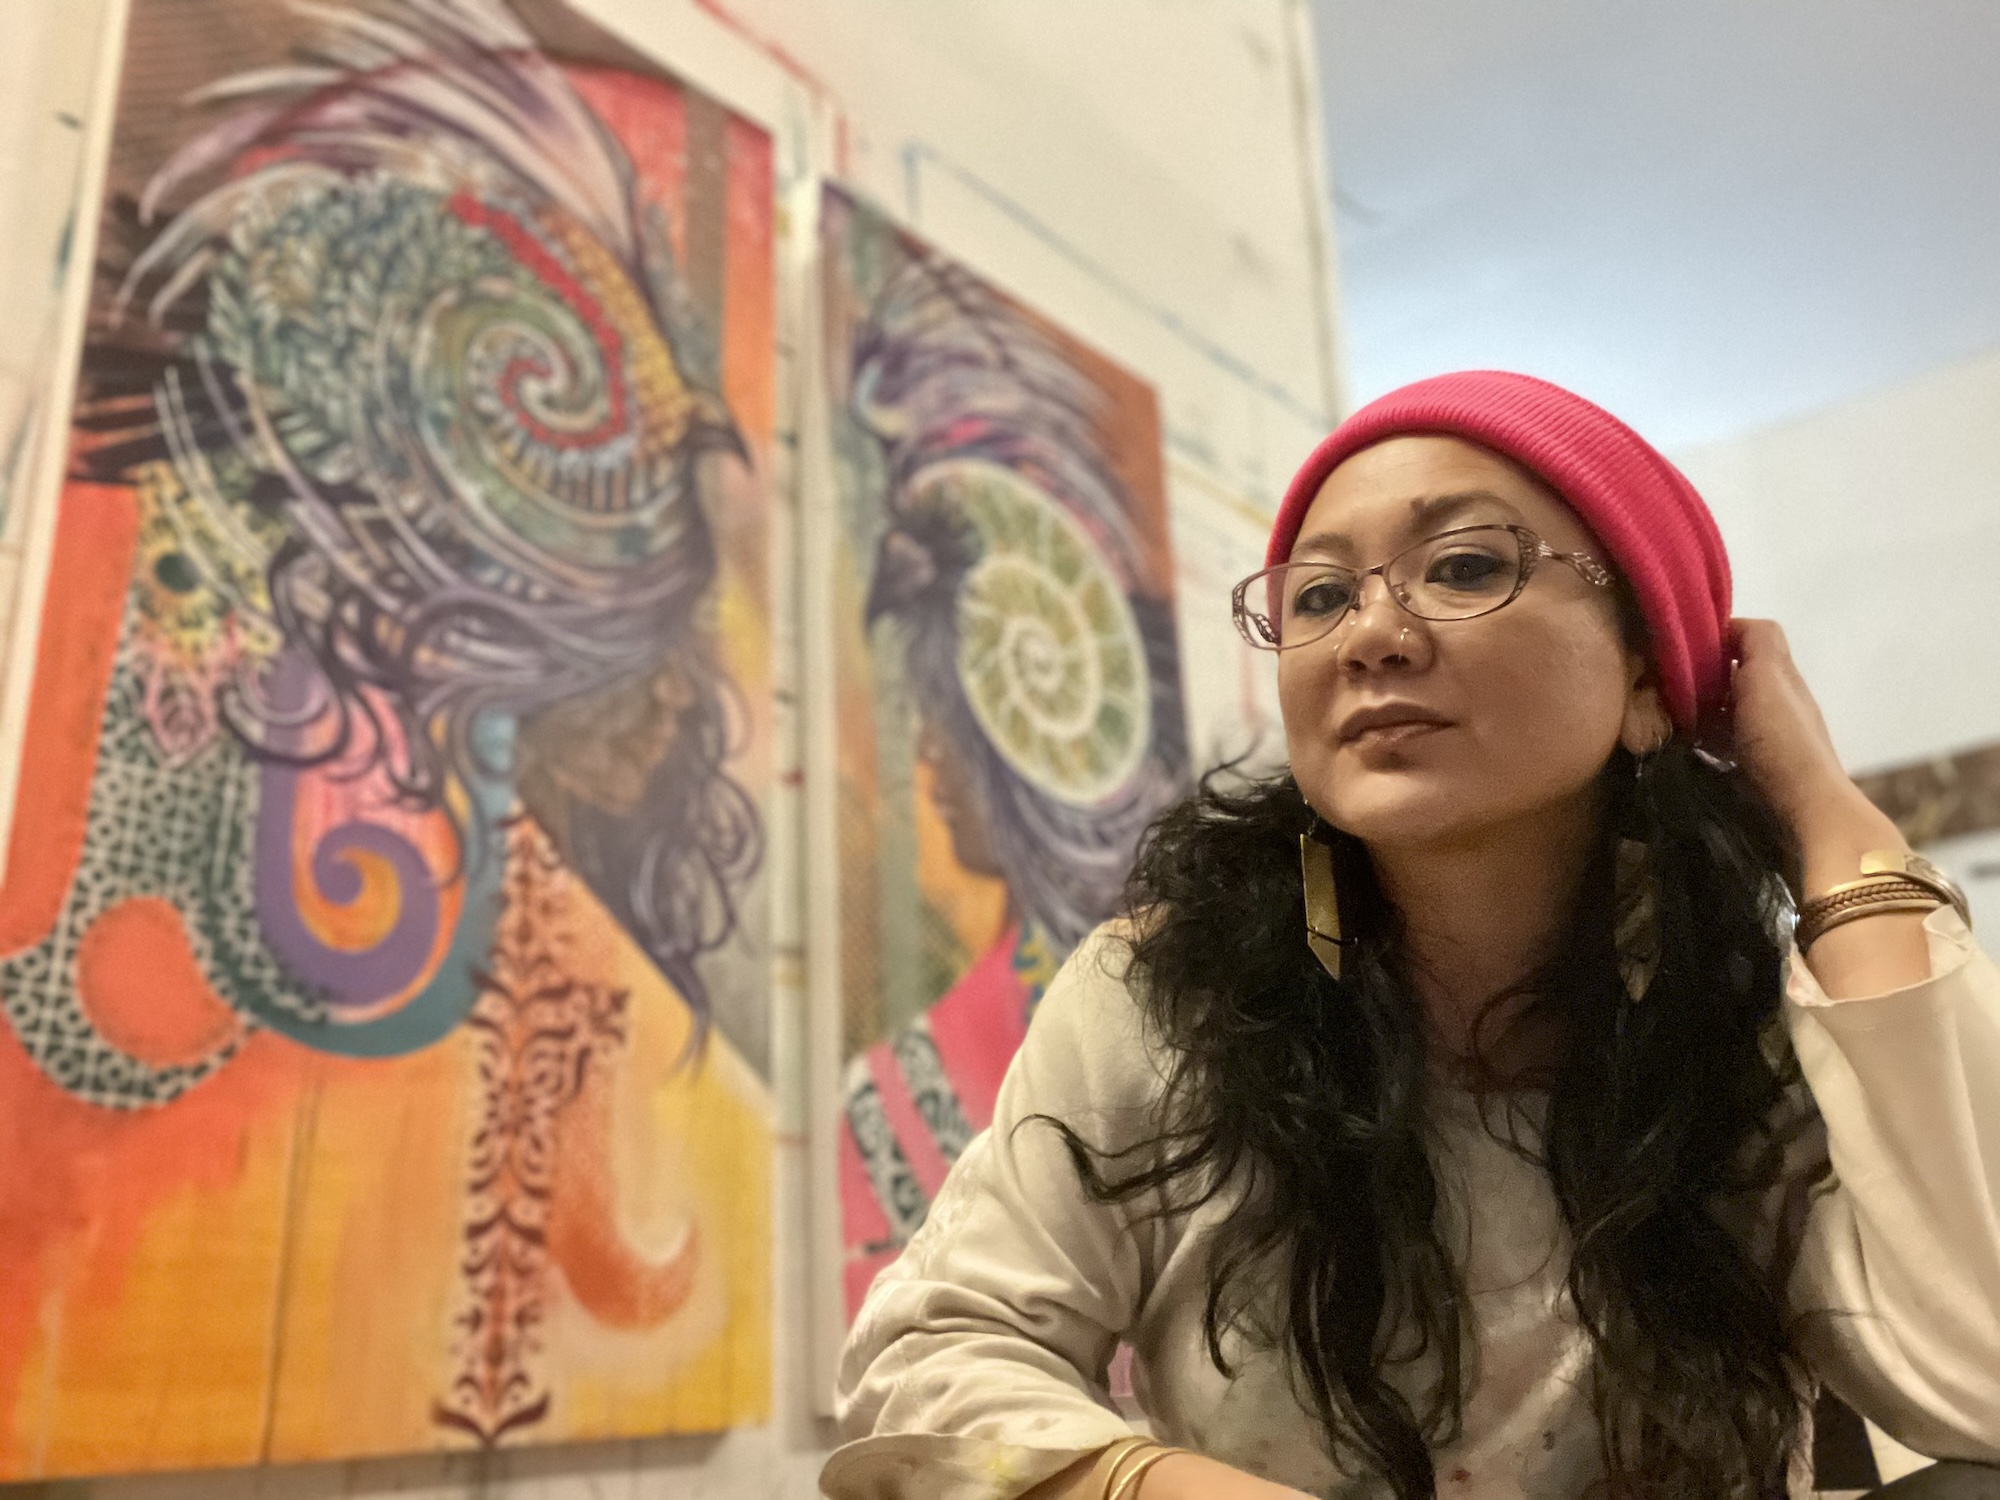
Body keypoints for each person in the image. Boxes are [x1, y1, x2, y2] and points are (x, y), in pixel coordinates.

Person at [823, 371, 2000, 1500]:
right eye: (1319, 596)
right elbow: (927, 1356)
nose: (1369, 636)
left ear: (1647, 681)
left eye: (1464, 565)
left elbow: (1980, 1389)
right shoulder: (1167, 997)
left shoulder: (1741, 1039)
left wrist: (1829, 825)